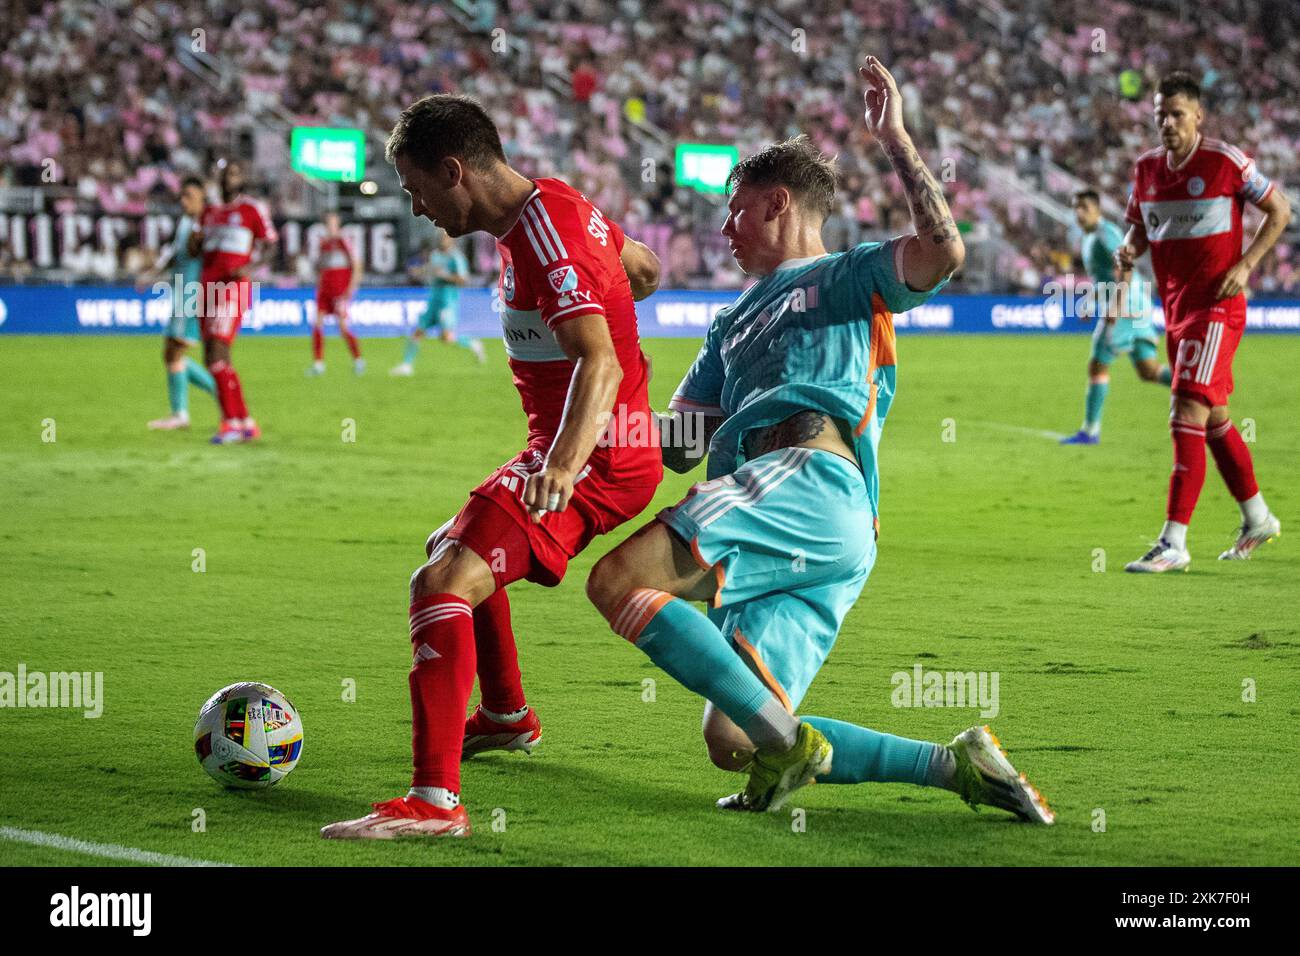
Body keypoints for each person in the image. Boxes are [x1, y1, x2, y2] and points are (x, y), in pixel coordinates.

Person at [583, 57, 1053, 823]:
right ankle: (952, 765)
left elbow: (944, 253)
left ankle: (796, 749)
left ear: (774, 204)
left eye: (733, 212)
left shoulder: (844, 275)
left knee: (614, 583)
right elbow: (677, 444)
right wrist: (599, 397)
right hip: (814, 523)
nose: (724, 230)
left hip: (804, 478)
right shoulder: (728, 325)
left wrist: (896, 138)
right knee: (735, 737)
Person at [321, 93, 664, 839]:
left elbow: (598, 365)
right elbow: (644, 269)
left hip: (594, 456)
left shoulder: (551, 237)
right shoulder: (557, 210)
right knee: (448, 550)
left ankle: (435, 804)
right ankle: (506, 713)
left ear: (453, 171)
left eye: (416, 189)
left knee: (440, 584)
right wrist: (613, 307)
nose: (416, 208)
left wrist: (566, 467)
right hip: (593, 445)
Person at [1117, 72, 1291, 572]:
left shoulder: (1225, 161)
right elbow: (1138, 229)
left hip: (1216, 305)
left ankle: (1173, 541)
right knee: (1213, 419)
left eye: (1177, 114)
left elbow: (1279, 209)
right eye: (1160, 116)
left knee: (1185, 410)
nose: (1167, 124)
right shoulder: (1146, 169)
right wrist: (1128, 249)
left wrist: (1246, 264)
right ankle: (1257, 517)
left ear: (1198, 116)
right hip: (1174, 310)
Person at [1059, 189, 1170, 445]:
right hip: (1134, 303)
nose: (1079, 212)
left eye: (1085, 207)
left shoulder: (1105, 234)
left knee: (1097, 364)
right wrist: (1090, 301)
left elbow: (1125, 266)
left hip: (1126, 306)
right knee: (1149, 371)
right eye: (1075, 207)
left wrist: (1116, 307)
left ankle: (1090, 431)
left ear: (1097, 209)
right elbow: (1105, 278)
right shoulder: (1088, 238)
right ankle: (1197, 391)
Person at [191, 159, 277, 445]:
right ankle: (245, 422)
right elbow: (195, 249)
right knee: (214, 359)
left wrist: (251, 268)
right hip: (207, 289)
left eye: (236, 172)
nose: (231, 177)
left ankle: (230, 424)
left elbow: (270, 243)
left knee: (217, 352)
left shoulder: (251, 209)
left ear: (242, 178)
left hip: (232, 289)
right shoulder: (209, 212)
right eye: (227, 172)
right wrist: (196, 235)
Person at [139, 176, 219, 430]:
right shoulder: (186, 222)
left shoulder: (207, 224)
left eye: (189, 197)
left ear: (202, 198)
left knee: (174, 352)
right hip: (180, 293)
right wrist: (153, 274)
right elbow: (175, 254)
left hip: (192, 295)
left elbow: (210, 258)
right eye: (182, 197)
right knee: (173, 353)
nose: (184, 202)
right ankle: (218, 397)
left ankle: (183, 413)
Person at [391, 229, 485, 374]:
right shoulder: (435, 255)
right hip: (433, 300)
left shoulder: (456, 258)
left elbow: (463, 280)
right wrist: (419, 272)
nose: (442, 240)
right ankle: (406, 366)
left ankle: (473, 343)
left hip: (447, 302)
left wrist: (445, 275)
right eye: (440, 237)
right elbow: (431, 271)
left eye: (445, 237)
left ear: (451, 239)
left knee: (446, 338)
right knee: (417, 332)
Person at [307, 212, 364, 376]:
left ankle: (358, 359)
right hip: (324, 290)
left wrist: (351, 288)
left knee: (343, 327)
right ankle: (318, 364)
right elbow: (320, 268)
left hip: (340, 291)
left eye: (333, 223)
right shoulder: (323, 244)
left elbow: (357, 265)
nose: (331, 227)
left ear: (338, 225)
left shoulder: (344, 241)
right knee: (317, 324)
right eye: (328, 224)